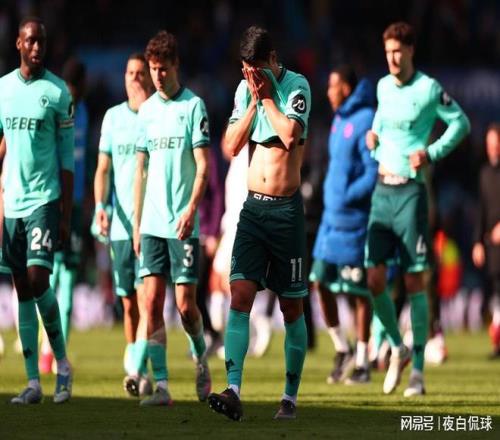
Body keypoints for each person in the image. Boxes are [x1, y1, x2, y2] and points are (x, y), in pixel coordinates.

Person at [208, 25, 311, 420]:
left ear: (272, 59)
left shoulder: (297, 87)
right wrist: (253, 101)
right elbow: (231, 145)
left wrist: (267, 98)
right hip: (252, 210)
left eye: (256, 69)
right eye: (245, 70)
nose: (250, 76)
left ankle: (289, 398)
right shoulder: (244, 91)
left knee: (291, 307)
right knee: (239, 296)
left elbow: (290, 136)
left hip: (286, 213)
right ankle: (233, 390)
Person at [365, 21, 470, 396]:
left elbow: (461, 123)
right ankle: (398, 346)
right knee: (374, 279)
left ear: (410, 50)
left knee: (414, 282)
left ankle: (418, 373)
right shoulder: (382, 86)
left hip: (412, 193)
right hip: (382, 190)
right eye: (387, 52)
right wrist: (374, 138)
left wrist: (431, 153)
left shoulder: (428, 89)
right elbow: (380, 122)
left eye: (398, 51)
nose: (392, 58)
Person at [133, 30, 212, 406]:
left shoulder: (194, 107)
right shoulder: (146, 111)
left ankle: (200, 355)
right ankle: (163, 386)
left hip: (182, 224)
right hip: (151, 223)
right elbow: (140, 171)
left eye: (163, 68)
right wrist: (136, 224)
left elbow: (203, 167)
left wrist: (191, 209)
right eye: (153, 69)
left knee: (185, 306)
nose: (158, 76)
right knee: (150, 303)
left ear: (175, 64)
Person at [0, 17, 74, 404]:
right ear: (18, 43)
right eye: (30, 41)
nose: (36, 47)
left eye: (41, 41)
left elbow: (68, 160)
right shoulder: (3, 90)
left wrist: (65, 215)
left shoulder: (58, 92)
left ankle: (62, 365)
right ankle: (33, 382)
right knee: (22, 289)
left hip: (44, 199)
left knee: (38, 278)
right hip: (11, 202)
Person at [310, 65, 377, 384]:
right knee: (319, 281)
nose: (328, 92)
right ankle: (342, 347)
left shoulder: (366, 119)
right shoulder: (338, 120)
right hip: (330, 221)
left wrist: (348, 196)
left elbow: (372, 171)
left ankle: (363, 363)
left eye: (332, 86)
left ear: (346, 88)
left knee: (359, 292)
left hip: (354, 222)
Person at [94, 53, 153, 397]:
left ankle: (135, 367)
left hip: (150, 225)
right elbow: (103, 169)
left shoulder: (156, 116)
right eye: (130, 72)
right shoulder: (113, 117)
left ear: (149, 77)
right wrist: (100, 206)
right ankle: (138, 365)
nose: (134, 77)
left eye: (140, 72)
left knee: (146, 300)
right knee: (129, 304)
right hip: (120, 226)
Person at [39, 58, 89, 374]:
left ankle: (58, 353)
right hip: (55, 202)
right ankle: (48, 349)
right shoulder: (59, 109)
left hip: (77, 206)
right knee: (52, 277)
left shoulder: (82, 112)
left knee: (67, 281)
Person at [472, 123, 500, 359]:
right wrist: (478, 242)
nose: (493, 149)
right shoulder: (484, 173)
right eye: (490, 144)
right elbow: (480, 210)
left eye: (496, 144)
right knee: (494, 291)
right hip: (492, 245)